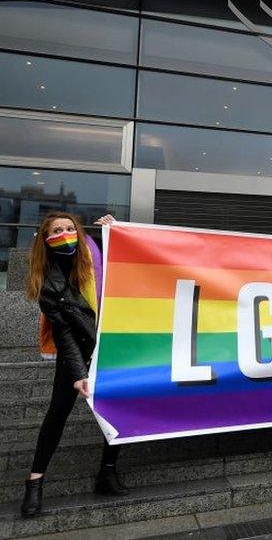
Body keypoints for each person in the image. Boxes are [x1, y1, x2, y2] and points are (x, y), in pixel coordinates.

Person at [21, 212, 127, 518]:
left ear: (79, 233)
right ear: (46, 239)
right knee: (57, 413)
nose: (65, 233)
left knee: (115, 411)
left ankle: (107, 473)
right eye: (57, 230)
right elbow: (64, 333)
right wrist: (79, 373)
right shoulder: (47, 283)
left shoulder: (95, 255)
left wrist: (115, 232)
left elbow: (128, 264)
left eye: (70, 228)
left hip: (109, 347)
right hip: (75, 352)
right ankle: (35, 483)